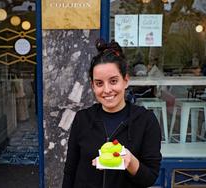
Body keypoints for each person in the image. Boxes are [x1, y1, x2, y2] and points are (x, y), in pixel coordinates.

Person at [62, 39, 162, 188]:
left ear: (125, 81)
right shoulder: (82, 119)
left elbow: (150, 178)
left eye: (113, 81)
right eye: (99, 83)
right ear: (93, 86)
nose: (107, 90)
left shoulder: (146, 121)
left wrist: (130, 161)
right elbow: (70, 171)